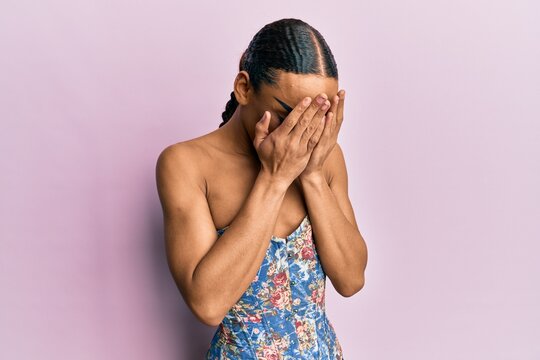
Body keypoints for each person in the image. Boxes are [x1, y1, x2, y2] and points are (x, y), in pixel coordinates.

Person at [155, 18, 367, 359]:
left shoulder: (326, 158)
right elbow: (207, 305)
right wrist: (275, 179)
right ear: (244, 88)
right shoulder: (185, 164)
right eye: (291, 116)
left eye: (319, 116)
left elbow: (351, 279)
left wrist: (312, 176)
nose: (306, 133)